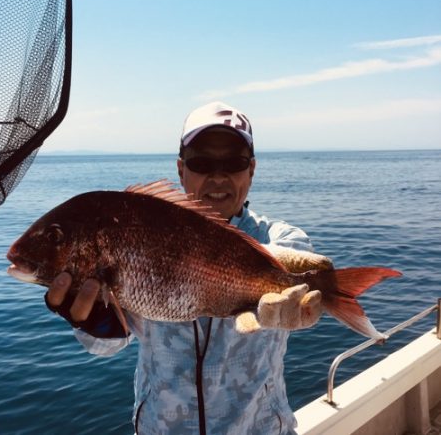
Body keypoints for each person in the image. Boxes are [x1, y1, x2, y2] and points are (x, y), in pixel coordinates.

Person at [45, 101, 323, 435]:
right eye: (202, 162)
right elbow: (105, 347)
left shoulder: (278, 237)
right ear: (181, 169)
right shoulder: (144, 235)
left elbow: (296, 257)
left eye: (233, 163)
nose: (218, 176)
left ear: (251, 170)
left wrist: (293, 290)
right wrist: (89, 320)